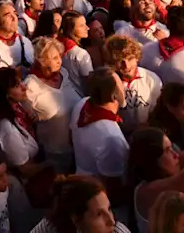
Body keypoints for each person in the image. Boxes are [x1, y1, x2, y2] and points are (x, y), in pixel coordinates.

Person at [24, 37, 82, 170]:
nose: (59, 61)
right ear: (41, 60)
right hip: (54, 153)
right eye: (54, 57)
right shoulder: (30, 85)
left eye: (59, 56)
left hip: (77, 145)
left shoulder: (63, 73)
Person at [71, 67, 129, 199]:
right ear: (115, 95)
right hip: (98, 195)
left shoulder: (81, 105)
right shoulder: (111, 137)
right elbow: (113, 185)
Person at [28, 174, 130, 233]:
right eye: (99, 214)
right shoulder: (51, 227)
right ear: (76, 219)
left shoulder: (119, 232)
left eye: (109, 209)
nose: (111, 221)